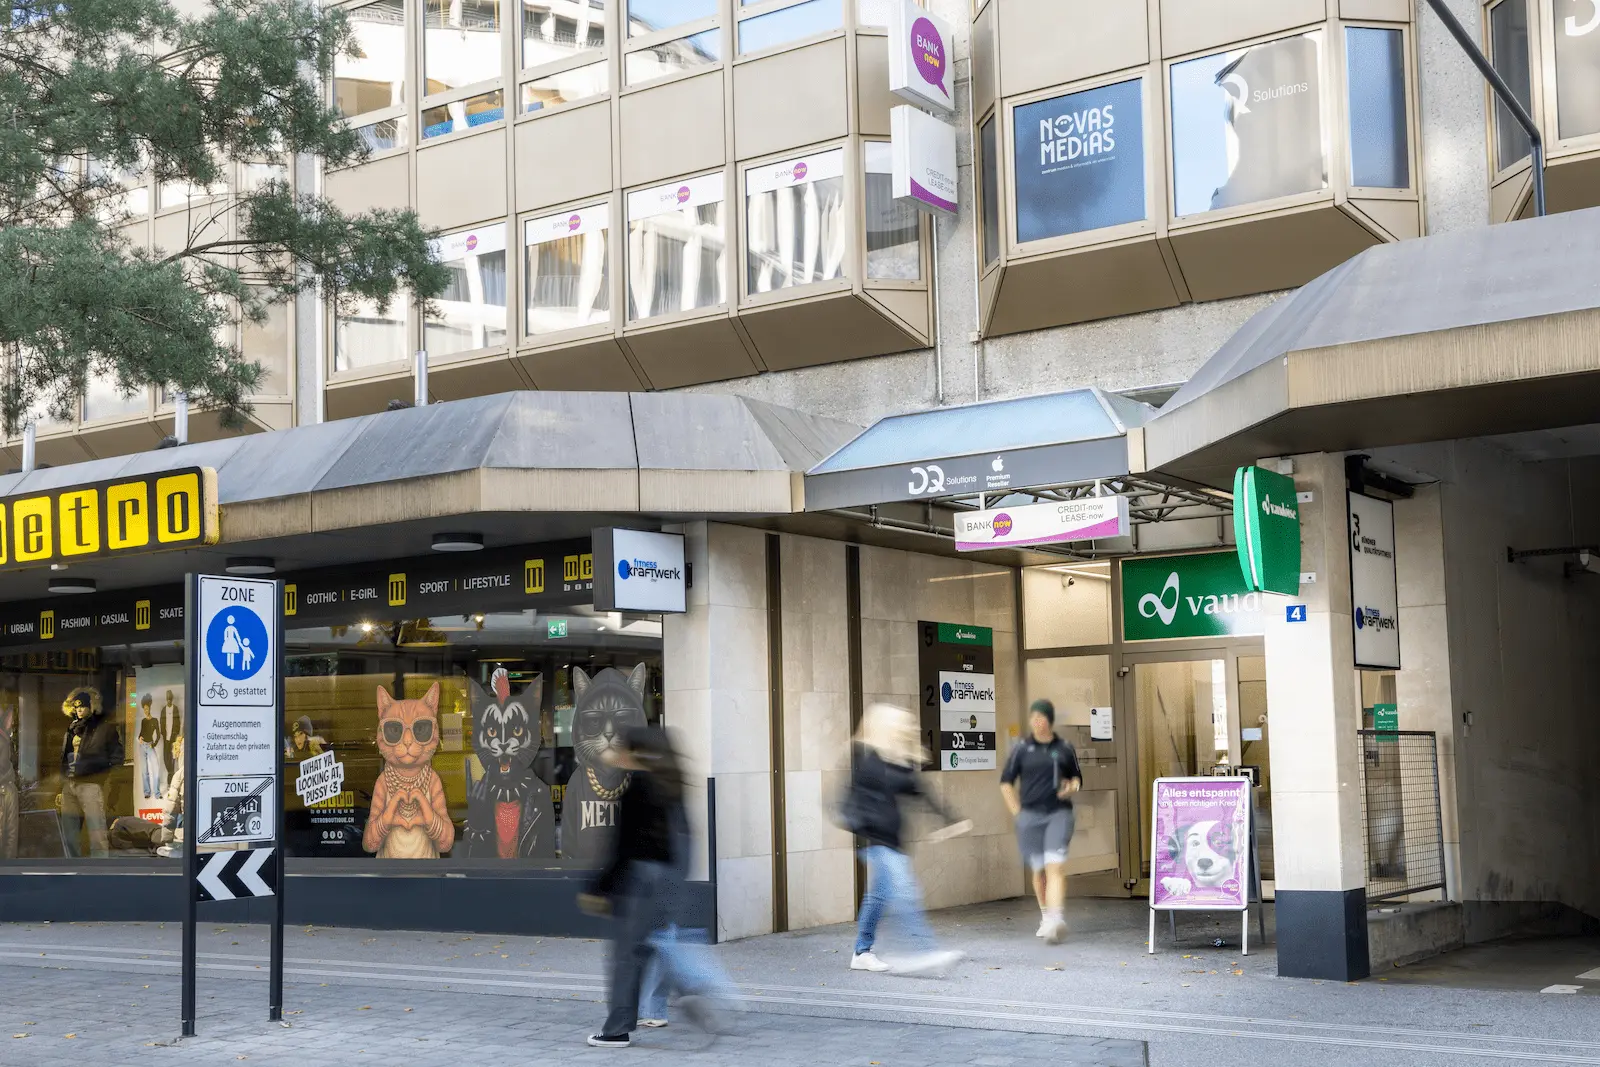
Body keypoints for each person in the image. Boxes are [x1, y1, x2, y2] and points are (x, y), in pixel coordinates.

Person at [581, 727, 733, 1049]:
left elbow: (622, 845)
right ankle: (692, 993)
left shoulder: (637, 786)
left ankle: (617, 1030)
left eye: (624, 748)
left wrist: (598, 887)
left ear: (636, 753)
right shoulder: (673, 784)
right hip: (669, 881)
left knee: (627, 957)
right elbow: (686, 840)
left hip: (639, 882)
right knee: (661, 946)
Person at [841, 703, 970, 976]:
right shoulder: (868, 760)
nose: (911, 730)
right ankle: (925, 951)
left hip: (894, 840)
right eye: (903, 726)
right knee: (905, 892)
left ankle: (861, 952)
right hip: (877, 840)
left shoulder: (900, 762)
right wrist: (867, 825)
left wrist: (950, 819)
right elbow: (854, 799)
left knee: (877, 898)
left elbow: (922, 793)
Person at [1000, 698, 1082, 945]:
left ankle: (1056, 919)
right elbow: (1006, 783)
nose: (1036, 721)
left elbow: (1077, 778)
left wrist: (1071, 788)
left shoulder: (1064, 748)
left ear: (1050, 720)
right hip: (1030, 816)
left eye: (1041, 717)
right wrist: (1017, 812)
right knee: (1039, 870)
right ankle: (1046, 916)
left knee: (1054, 865)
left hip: (1059, 813)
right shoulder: (1021, 749)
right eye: (1033, 717)